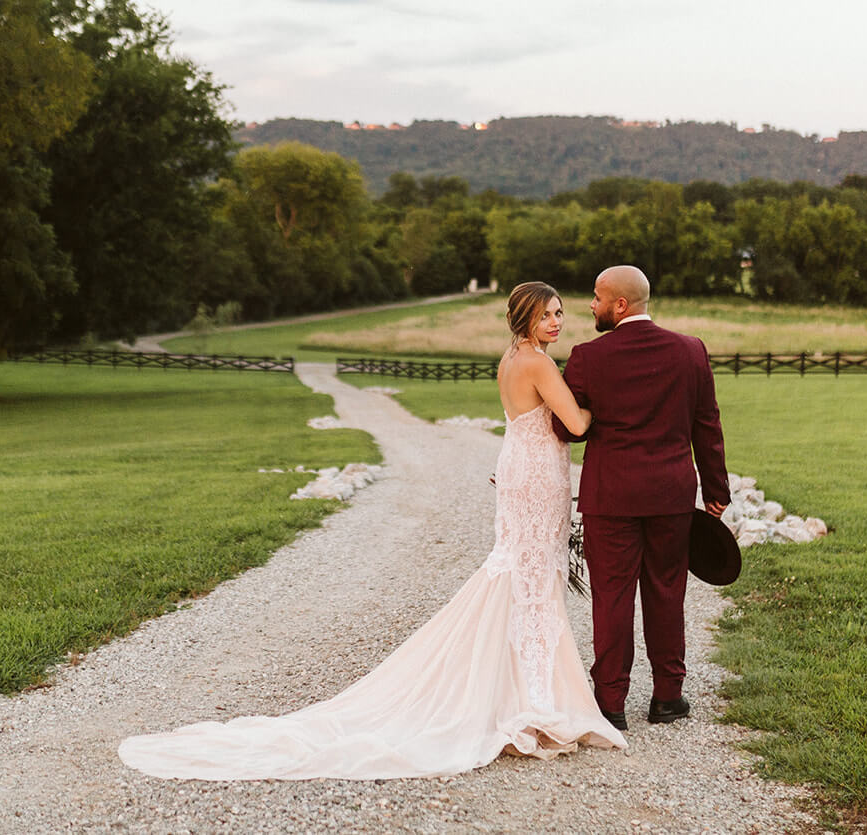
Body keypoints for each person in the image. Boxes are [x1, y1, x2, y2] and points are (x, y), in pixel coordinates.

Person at [117, 282, 625, 780]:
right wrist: (610, 403)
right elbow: (577, 425)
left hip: (519, 466)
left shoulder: (510, 359)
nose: (557, 322)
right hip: (537, 476)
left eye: (560, 313)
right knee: (533, 579)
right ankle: (536, 700)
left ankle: (526, 688)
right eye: (546, 315)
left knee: (522, 574)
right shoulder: (537, 361)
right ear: (524, 320)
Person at [552, 265, 730, 729]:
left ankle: (610, 704)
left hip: (611, 497)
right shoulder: (691, 350)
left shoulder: (588, 358)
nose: (591, 305)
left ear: (620, 305)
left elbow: (563, 429)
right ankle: (668, 697)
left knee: (611, 596)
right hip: (671, 494)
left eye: (596, 297)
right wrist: (716, 491)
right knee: (667, 592)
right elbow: (706, 424)